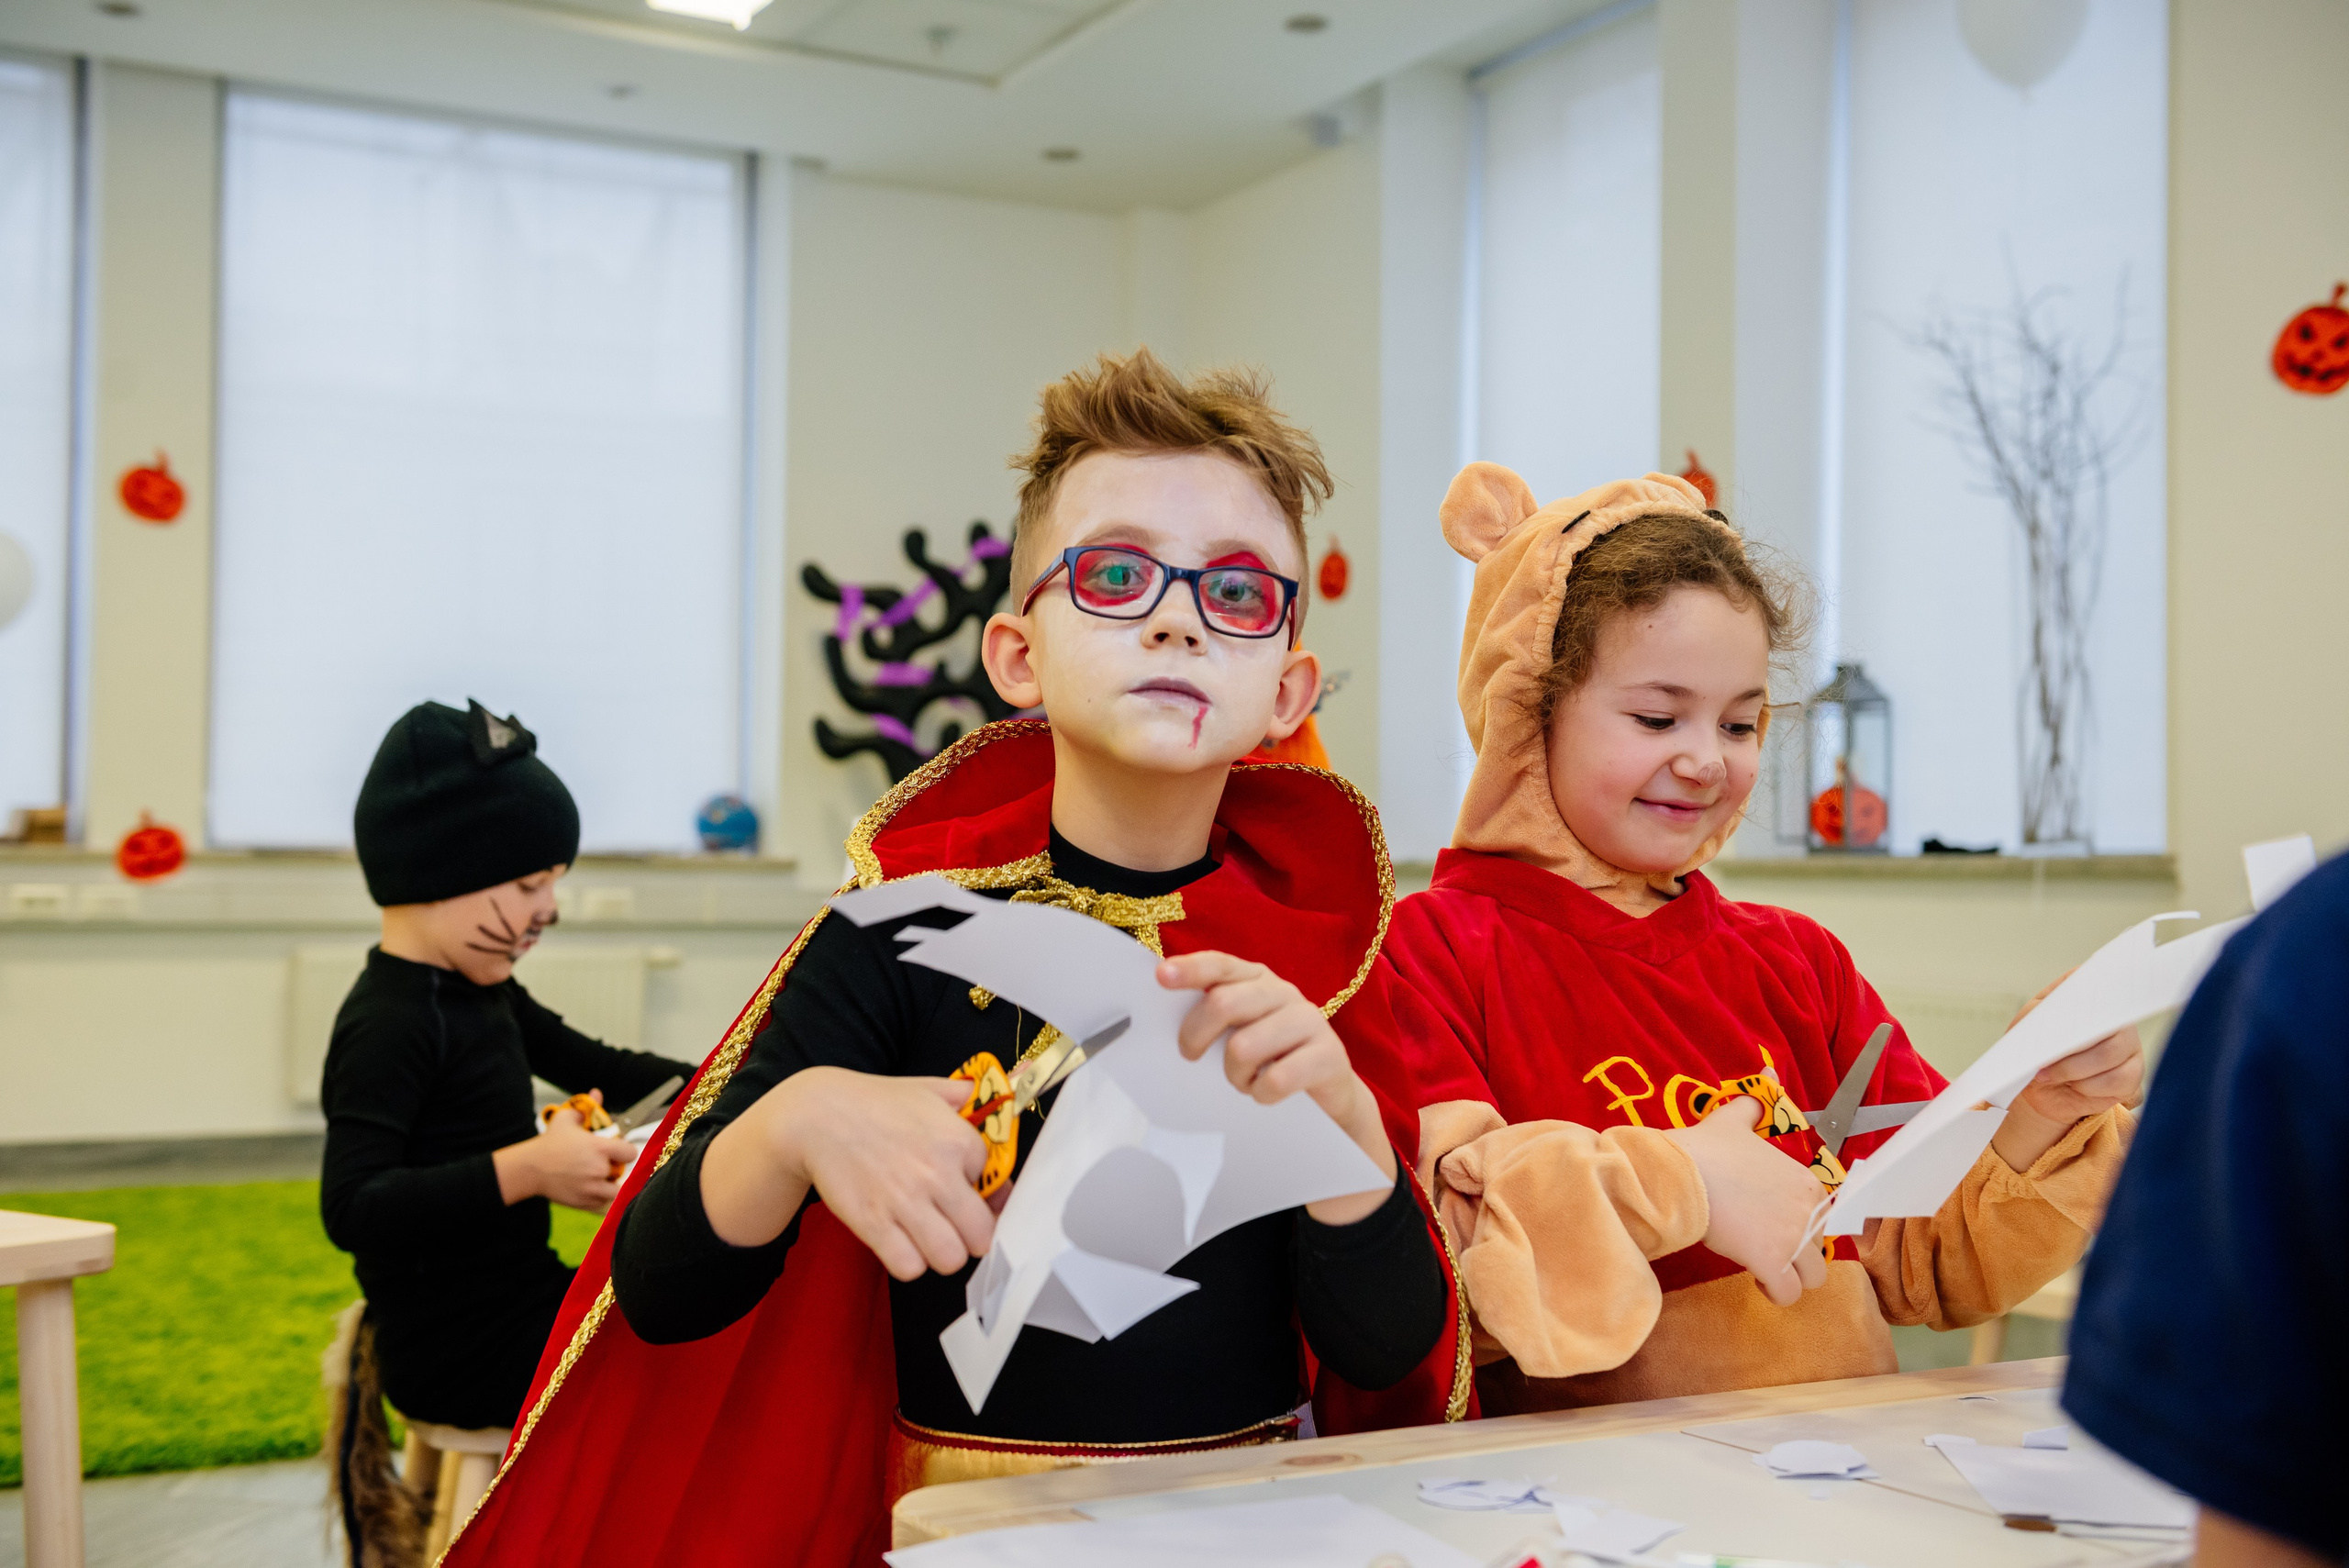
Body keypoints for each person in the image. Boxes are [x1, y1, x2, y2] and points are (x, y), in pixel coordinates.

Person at [440, 350, 1470, 1568]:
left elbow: (1384, 1345)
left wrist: (1343, 1122)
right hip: (966, 1534)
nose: (1179, 614)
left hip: (1249, 1528)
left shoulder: (1325, 959)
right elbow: (666, 1292)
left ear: (1286, 682)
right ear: (1018, 655)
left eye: (1239, 592)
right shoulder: (899, 937)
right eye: (1119, 571)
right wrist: (797, 1124)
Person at [1366, 463, 2143, 1412]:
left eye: (1738, 722)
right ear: (1528, 713)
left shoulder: (1797, 959)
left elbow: (1917, 1254)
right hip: (1583, 1507)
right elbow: (1435, 1283)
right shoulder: (1428, 951)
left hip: (1830, 1481)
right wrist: (1677, 1181)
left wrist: (2037, 1111)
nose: (1703, 758)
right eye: (1657, 715)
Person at [320, 701, 697, 1549]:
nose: (549, 907)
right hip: (457, 1344)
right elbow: (353, 1202)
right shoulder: (391, 1021)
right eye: (530, 883)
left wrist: (747, 1070)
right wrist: (528, 1169)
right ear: (440, 869)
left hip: (512, 1303)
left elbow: (599, 1061)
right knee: (679, 1341)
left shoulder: (482, 991)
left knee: (679, 1300)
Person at [2064, 851, 2349, 1568]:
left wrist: (2039, 1124)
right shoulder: (2311, 958)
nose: (1726, 762)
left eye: (1746, 727)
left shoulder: (2312, 955)